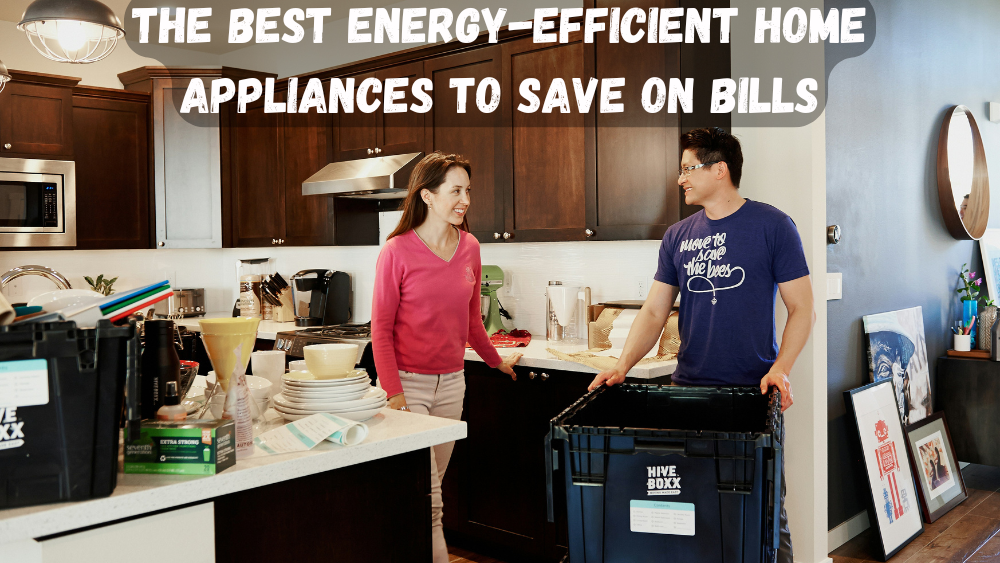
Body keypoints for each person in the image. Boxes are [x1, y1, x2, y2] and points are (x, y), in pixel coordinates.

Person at [587, 127, 815, 563]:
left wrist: (781, 368)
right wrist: (622, 365)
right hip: (688, 390)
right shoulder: (677, 236)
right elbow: (655, 311)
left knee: (764, 509)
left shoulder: (773, 225)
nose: (680, 179)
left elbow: (802, 308)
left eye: (688, 168)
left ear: (720, 170)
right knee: (692, 508)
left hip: (753, 394)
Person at [372, 151, 522, 563]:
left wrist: (496, 362)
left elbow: (473, 321)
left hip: (452, 384)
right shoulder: (397, 251)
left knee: (430, 484)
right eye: (456, 190)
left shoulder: (470, 247)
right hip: (409, 386)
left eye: (467, 190)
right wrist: (394, 393)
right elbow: (380, 331)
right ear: (427, 195)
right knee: (430, 495)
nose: (465, 199)